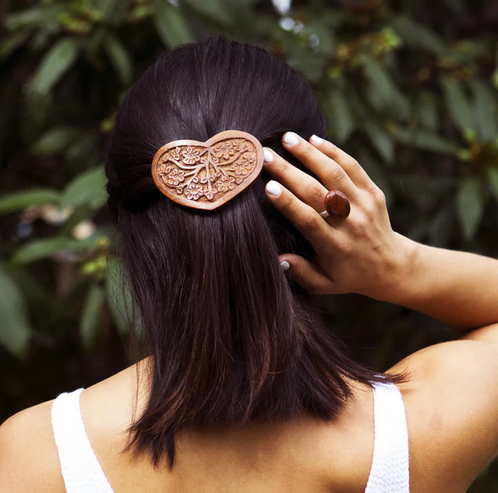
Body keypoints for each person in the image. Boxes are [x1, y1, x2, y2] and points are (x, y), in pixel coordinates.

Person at [1, 33, 498, 493]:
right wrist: (399, 266)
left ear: (127, 228)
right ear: (312, 213)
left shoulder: (33, 456)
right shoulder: (414, 439)